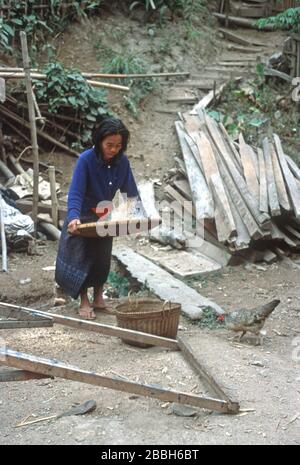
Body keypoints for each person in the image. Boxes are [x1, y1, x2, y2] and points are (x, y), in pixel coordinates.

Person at [55, 117, 139, 319]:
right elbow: (75, 193)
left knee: (102, 259)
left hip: (104, 216)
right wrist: (74, 217)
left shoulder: (122, 162)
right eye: (109, 145)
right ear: (99, 141)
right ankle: (84, 301)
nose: (113, 150)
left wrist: (137, 213)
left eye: (118, 146)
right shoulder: (86, 160)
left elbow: (131, 193)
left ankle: (99, 299)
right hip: (82, 217)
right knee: (82, 259)